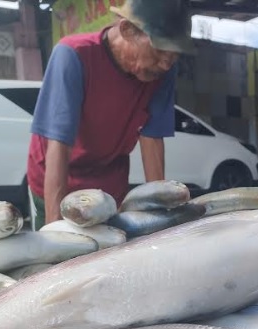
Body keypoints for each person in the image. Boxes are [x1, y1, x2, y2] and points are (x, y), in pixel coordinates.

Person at [26, 0, 196, 230]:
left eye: (175, 54)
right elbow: (58, 145)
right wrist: (55, 234)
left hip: (108, 188)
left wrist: (161, 219)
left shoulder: (160, 72)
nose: (166, 63)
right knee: (63, 257)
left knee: (109, 258)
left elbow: (152, 139)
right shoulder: (74, 55)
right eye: (159, 49)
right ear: (127, 30)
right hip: (57, 182)